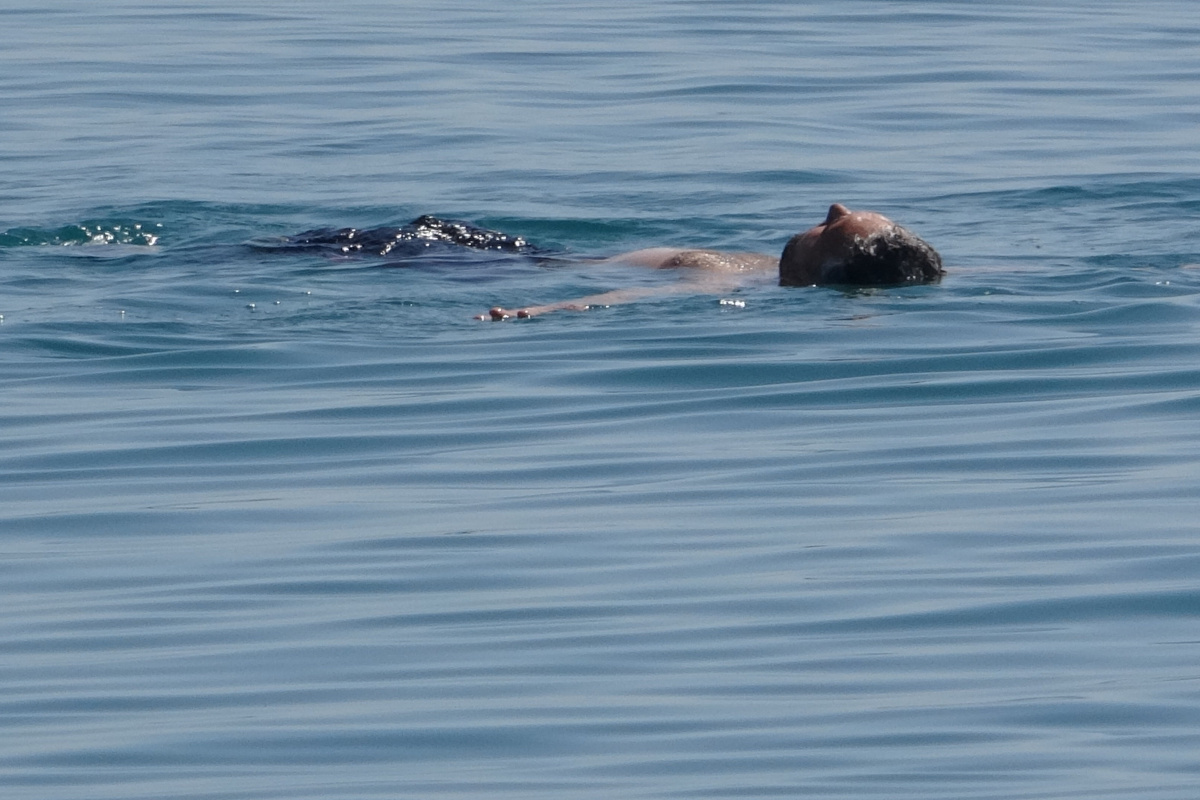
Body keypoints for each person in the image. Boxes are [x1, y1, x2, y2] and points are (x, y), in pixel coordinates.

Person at [482, 203, 943, 320]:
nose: (835, 209)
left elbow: (635, 296)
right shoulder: (897, 270)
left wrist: (549, 309)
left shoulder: (723, 283)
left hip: (498, 262)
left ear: (808, 275)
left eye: (831, 228)